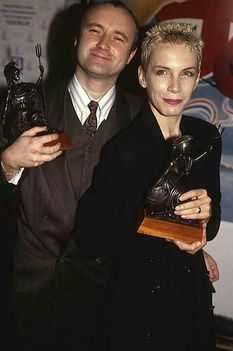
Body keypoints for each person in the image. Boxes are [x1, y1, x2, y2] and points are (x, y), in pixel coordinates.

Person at [0, 3, 218, 350]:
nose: (104, 44)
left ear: (132, 56)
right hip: (28, 291)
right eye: (95, 30)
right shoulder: (21, 106)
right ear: (74, 40)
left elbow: (155, 207)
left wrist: (187, 246)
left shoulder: (149, 119)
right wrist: (7, 163)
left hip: (109, 297)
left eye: (119, 37)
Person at [73, 22, 222, 351]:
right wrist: (167, 238)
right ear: (142, 77)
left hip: (191, 292)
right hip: (139, 299)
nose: (174, 87)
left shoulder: (206, 137)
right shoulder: (124, 149)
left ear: (198, 78)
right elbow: (89, 233)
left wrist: (203, 220)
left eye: (186, 73)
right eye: (162, 72)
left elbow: (209, 226)